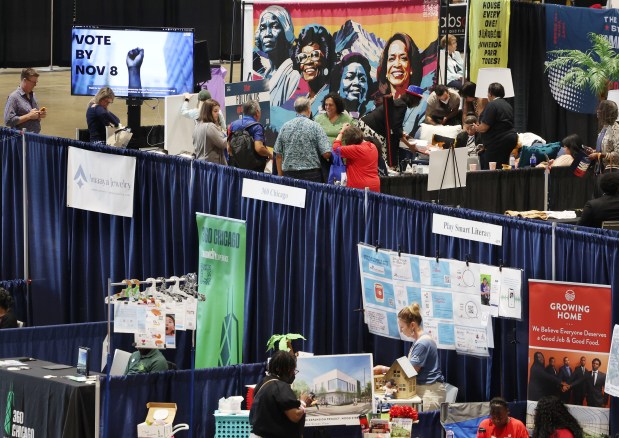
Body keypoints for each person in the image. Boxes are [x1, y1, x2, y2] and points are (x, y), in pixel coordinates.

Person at [373, 303, 446, 411]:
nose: (401, 330)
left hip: (430, 393)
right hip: (424, 390)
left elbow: (409, 371)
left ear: (412, 325)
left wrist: (383, 369)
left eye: (402, 327)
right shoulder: (418, 341)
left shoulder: (422, 343)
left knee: (424, 426)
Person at [249, 350, 314, 438]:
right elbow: (295, 416)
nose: (293, 374)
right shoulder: (280, 386)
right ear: (286, 369)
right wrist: (303, 402)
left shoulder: (262, 383)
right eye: (292, 370)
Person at [360, 85, 425, 169]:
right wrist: (409, 145)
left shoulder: (399, 102)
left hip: (367, 125)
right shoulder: (402, 105)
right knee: (384, 157)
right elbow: (396, 129)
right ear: (415, 99)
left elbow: (395, 124)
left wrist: (403, 134)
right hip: (371, 128)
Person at [273, 96, 331, 182]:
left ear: (295, 110)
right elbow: (326, 154)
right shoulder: (316, 126)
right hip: (312, 176)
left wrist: (281, 176)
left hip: (289, 175)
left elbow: (278, 155)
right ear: (308, 109)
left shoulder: (285, 127)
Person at [253, 5, 300, 106]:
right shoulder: (266, 74)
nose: (267, 33)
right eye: (263, 28)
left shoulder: (293, 76)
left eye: (274, 26)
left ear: (286, 31)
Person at [292, 25, 335, 113]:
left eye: (315, 55)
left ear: (326, 60)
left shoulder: (332, 98)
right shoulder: (304, 100)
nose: (308, 62)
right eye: (303, 57)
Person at [475, 82, 518, 169]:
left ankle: (493, 183)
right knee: (503, 166)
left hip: (498, 141)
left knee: (492, 168)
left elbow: (484, 127)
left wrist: (477, 128)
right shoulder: (507, 105)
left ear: (490, 93)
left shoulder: (492, 105)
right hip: (511, 139)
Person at [227, 100, 272, 172]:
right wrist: (269, 154)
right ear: (257, 112)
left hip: (236, 168)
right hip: (254, 170)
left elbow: (229, 149)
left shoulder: (232, 125)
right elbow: (259, 148)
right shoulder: (257, 127)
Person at [333, 124, 380, 192]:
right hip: (374, 184)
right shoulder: (373, 146)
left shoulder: (356, 149)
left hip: (359, 187)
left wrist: (341, 131)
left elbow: (336, 148)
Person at [377, 33, 423, 99]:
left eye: (403, 58)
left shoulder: (423, 105)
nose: (397, 64)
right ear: (386, 70)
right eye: (391, 59)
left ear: (411, 68)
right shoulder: (378, 107)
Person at [331, 52, 375, 117]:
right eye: (349, 77)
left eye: (362, 79)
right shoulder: (326, 119)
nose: (356, 82)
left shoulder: (373, 116)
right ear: (338, 86)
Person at [4, 68, 47, 133]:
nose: (35, 85)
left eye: (36, 82)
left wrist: (39, 115)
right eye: (33, 82)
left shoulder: (33, 95)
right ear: (25, 80)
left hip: (35, 137)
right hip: (21, 139)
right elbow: (8, 121)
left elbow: (33, 116)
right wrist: (28, 116)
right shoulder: (14, 97)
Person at [587, 100, 619, 174]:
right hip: (602, 171)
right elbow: (607, 149)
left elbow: (618, 154)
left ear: (608, 113)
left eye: (600, 109)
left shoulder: (616, 130)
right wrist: (595, 151)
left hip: (613, 174)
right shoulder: (604, 128)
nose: (597, 111)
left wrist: (599, 155)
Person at [193, 98, 228, 164]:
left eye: (218, 111)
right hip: (212, 166)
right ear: (208, 112)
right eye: (215, 111)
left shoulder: (197, 125)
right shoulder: (210, 126)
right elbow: (223, 143)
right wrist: (230, 136)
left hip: (202, 164)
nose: (218, 114)